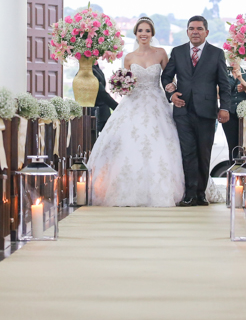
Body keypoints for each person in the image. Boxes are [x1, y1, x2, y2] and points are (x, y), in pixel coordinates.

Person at [86, 17, 184, 206]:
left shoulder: (161, 53)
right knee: (126, 143)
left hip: (156, 102)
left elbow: (169, 76)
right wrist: (122, 85)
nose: (144, 34)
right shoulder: (129, 57)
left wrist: (172, 87)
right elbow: (125, 80)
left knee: (161, 143)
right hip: (133, 102)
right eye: (140, 31)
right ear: (136, 34)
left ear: (152, 33)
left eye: (147, 31)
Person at [161, 15, 231, 206]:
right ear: (187, 31)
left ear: (206, 32)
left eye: (199, 29)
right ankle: (189, 194)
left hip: (207, 111)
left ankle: (201, 194)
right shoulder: (177, 51)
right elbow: (166, 77)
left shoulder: (217, 54)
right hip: (183, 110)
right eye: (192, 28)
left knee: (204, 152)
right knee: (188, 152)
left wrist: (224, 107)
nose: (195, 32)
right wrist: (172, 94)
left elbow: (224, 85)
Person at [222, 57, 246, 160]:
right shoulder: (223, 73)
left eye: (235, 57)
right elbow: (217, 93)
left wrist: (240, 79)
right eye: (230, 58)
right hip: (229, 113)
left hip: (244, 114)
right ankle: (233, 171)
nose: (233, 60)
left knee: (245, 144)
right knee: (232, 145)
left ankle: (245, 170)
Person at [91, 61, 117, 135]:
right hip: (96, 113)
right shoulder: (90, 70)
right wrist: (116, 107)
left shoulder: (96, 67)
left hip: (103, 112)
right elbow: (101, 93)